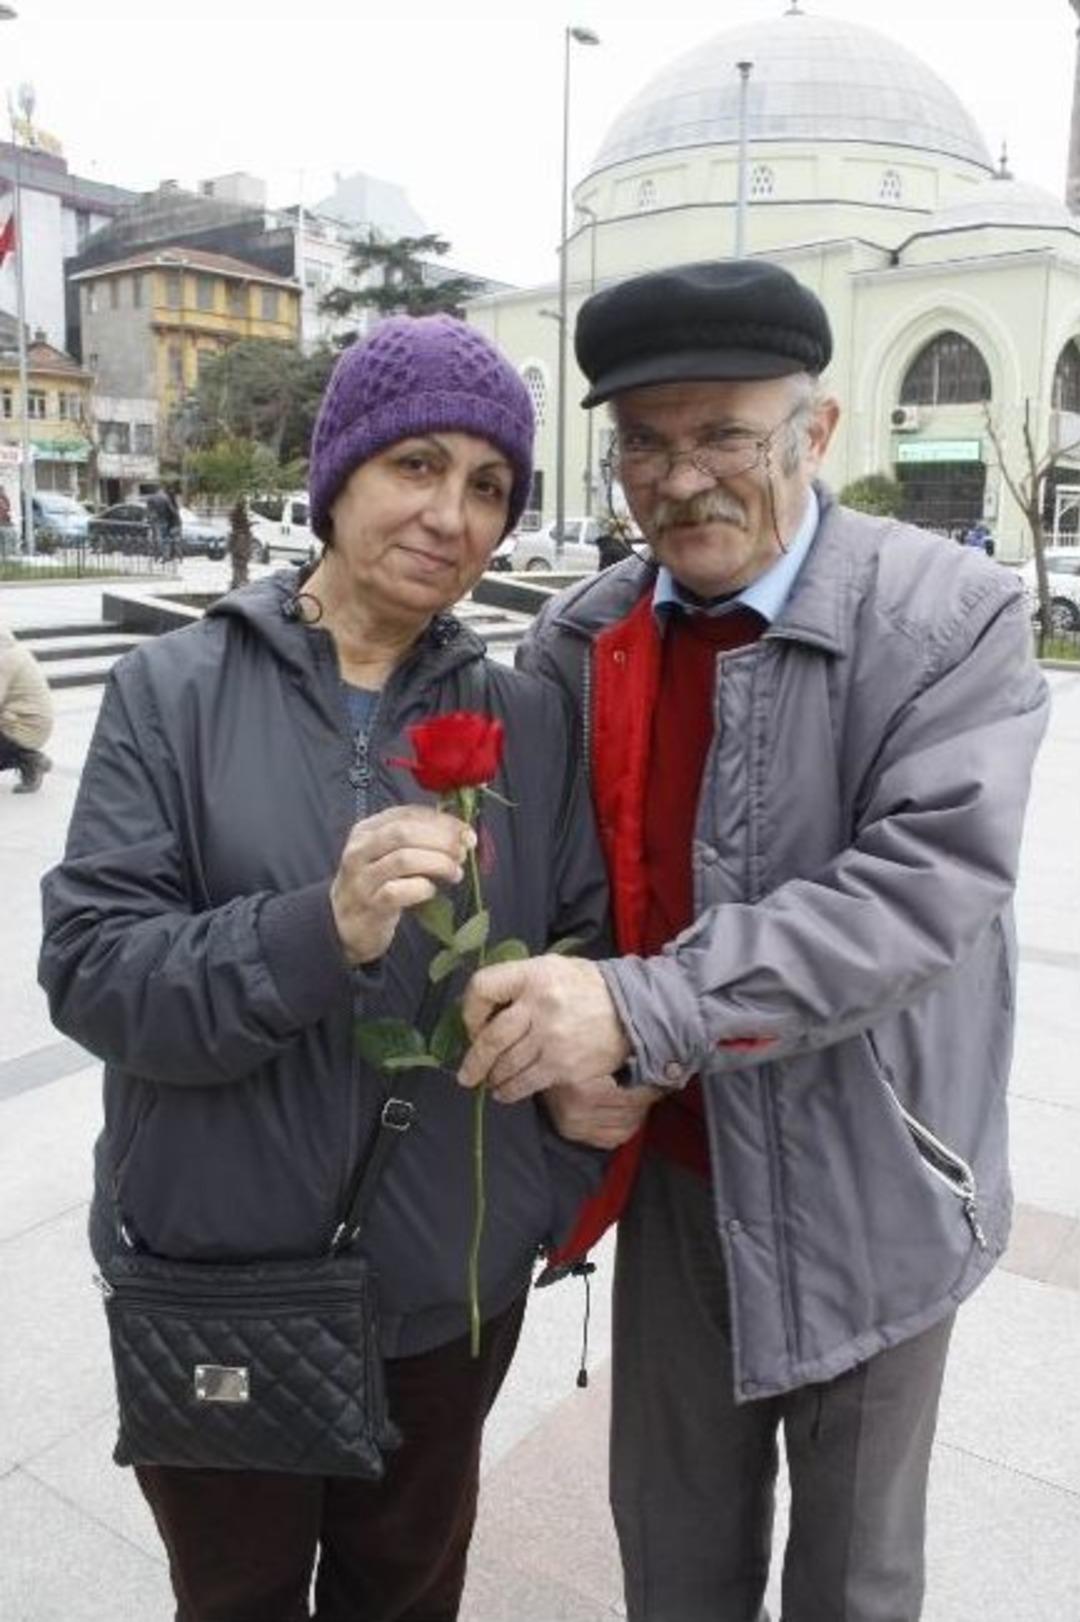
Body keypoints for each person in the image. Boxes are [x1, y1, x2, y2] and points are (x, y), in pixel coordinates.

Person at [457, 259, 1049, 1621]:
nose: (679, 479)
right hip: (675, 1182)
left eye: (723, 433)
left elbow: (918, 892)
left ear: (816, 432)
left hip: (875, 1182)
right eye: (644, 445)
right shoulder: (585, 633)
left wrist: (636, 1007)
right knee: (674, 1556)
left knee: (851, 1578)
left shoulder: (949, 617)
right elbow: (550, 880)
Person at [39, 315, 607, 1622]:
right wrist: (320, 927)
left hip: (442, 1301)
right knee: (234, 1597)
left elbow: (586, 954)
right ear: (339, 469)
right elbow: (92, 969)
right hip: (220, 1284)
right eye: (417, 464)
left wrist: (534, 1186)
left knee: (404, 1594)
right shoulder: (172, 692)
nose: (451, 515)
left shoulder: (526, 717)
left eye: (488, 486)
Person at [1, 615, 53, 792]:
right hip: (26, 725)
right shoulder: (10, 649)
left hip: (24, 729)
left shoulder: (3, 658)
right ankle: (26, 757)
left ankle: (29, 760)